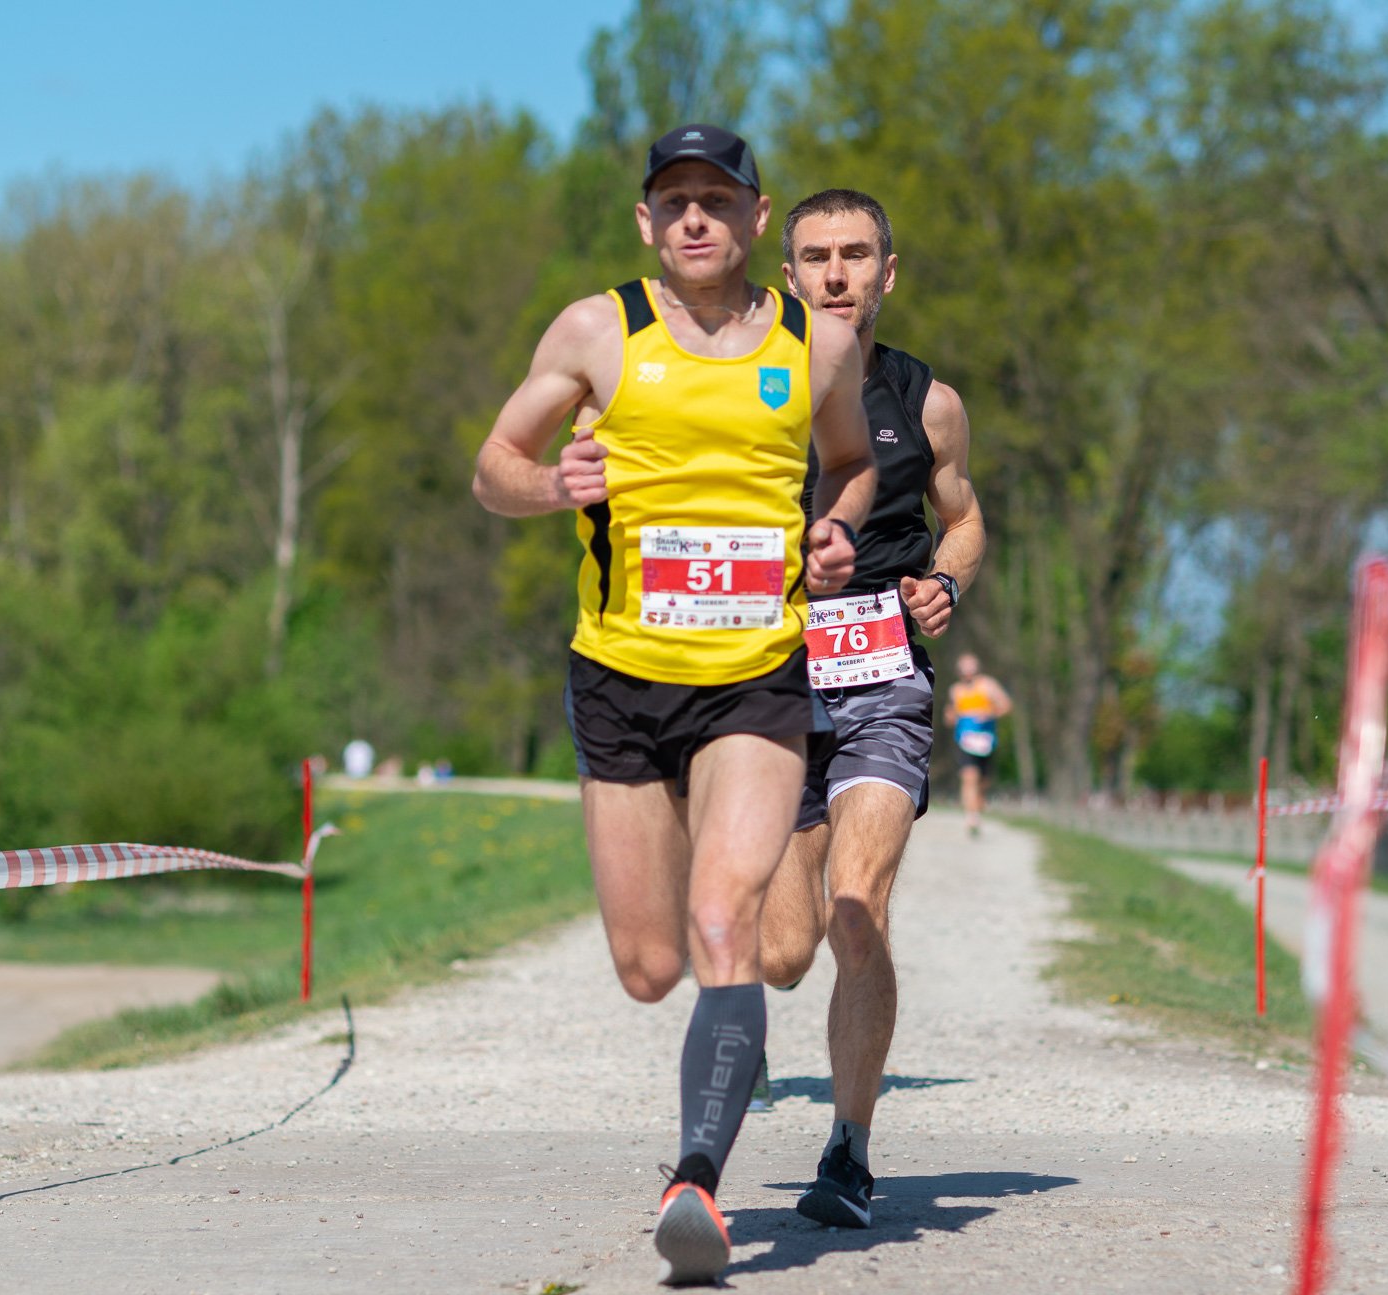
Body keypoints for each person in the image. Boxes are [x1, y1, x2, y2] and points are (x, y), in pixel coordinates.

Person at [470, 125, 877, 1286]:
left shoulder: (818, 340)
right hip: (620, 674)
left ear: (756, 218)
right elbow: (493, 459)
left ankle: (695, 1178)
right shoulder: (598, 328)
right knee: (648, 963)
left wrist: (836, 527)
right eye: (673, 202)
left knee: (722, 924)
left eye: (716, 199)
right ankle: (702, 1105)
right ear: (648, 224)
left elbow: (848, 463)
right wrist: (553, 482)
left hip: (754, 674)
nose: (695, 218)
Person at [756, 189, 986, 1229]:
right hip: (761, 682)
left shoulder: (927, 399)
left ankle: (847, 1150)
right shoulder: (743, 386)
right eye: (816, 256)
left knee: (860, 904)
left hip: (882, 672)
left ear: (888, 271)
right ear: (788, 273)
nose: (836, 272)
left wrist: (946, 576)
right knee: (781, 951)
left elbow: (965, 513)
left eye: (855, 254)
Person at [947, 652, 1013, 833]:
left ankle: (978, 802)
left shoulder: (988, 685)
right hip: (964, 740)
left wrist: (990, 713)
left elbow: (1006, 705)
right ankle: (971, 817)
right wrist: (951, 716)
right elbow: (951, 713)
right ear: (959, 671)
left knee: (983, 781)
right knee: (969, 776)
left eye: (971, 669)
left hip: (986, 740)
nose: (968, 673)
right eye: (964, 670)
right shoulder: (955, 690)